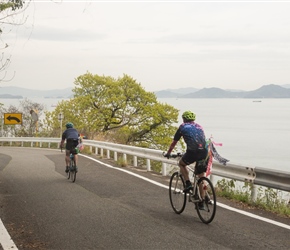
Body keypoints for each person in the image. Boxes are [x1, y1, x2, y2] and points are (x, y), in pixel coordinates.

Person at [164, 110, 208, 195]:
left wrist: (168, 153)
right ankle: (202, 201)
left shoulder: (182, 127)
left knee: (182, 164)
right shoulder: (199, 126)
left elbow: (174, 142)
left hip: (193, 152)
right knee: (201, 176)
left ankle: (188, 184)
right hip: (204, 151)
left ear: (183, 119)